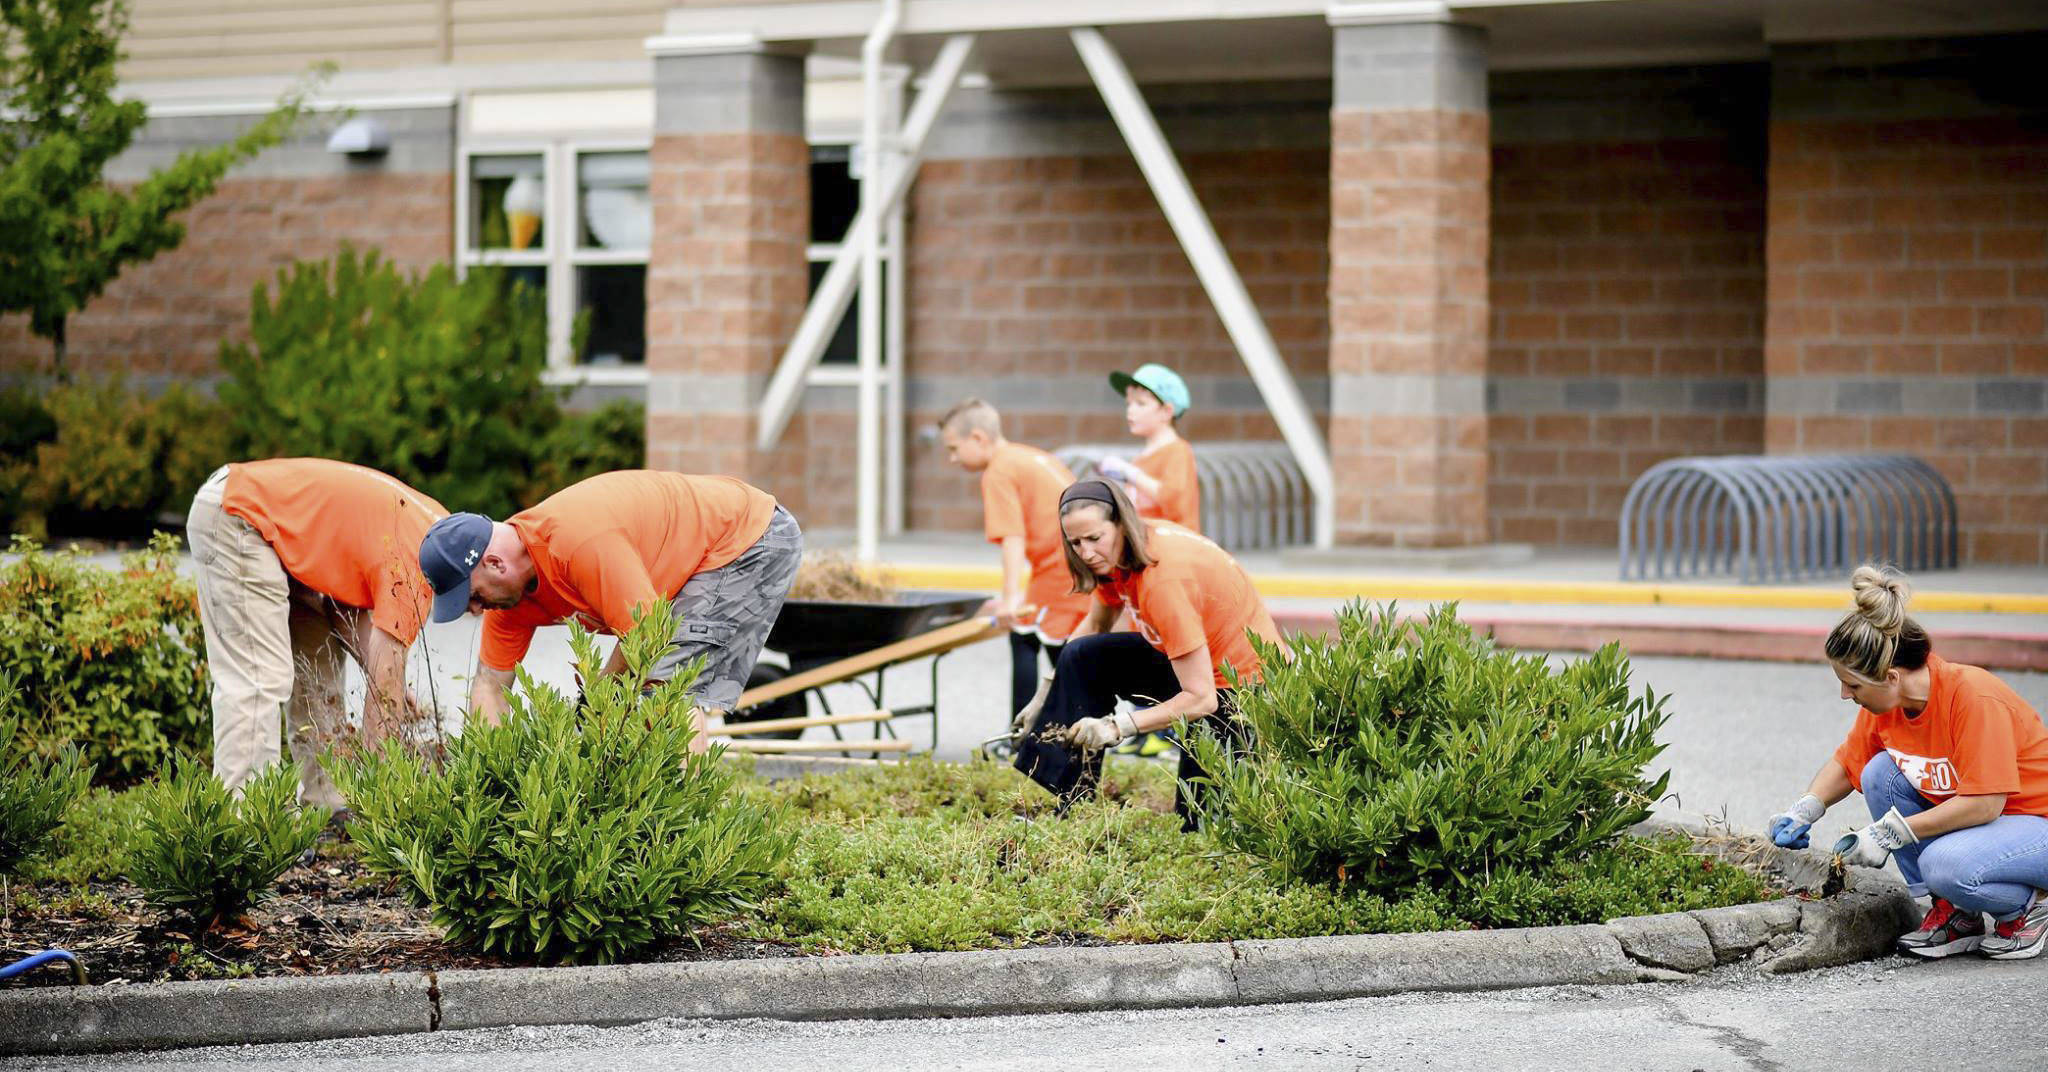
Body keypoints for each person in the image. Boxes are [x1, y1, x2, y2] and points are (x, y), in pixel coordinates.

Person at [1767, 565, 2048, 960]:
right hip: (1993, 831)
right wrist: (1804, 809)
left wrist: (1889, 834)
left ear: (1891, 676)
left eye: (1853, 684)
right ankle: (1955, 916)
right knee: (1880, 774)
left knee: (1943, 865)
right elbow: (1850, 764)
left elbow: (1986, 803)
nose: (1845, 695)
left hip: (2037, 830)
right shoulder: (1886, 707)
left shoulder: (1972, 697)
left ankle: (2027, 910)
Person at [418, 470, 802, 748]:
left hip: (746, 538)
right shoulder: (507, 599)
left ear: (495, 564)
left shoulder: (576, 543)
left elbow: (649, 633)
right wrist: (492, 773)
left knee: (663, 688)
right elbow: (490, 688)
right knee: (641, 690)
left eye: (470, 596)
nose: (473, 610)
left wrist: (598, 693)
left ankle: (684, 841)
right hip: (686, 567)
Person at [1012, 478, 1281, 831]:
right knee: (1081, 657)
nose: (1086, 552)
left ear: (1121, 524)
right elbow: (1096, 622)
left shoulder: (1163, 581)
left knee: (1199, 825)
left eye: (1094, 538)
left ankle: (1205, 816)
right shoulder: (1119, 555)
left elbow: (1202, 700)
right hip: (1190, 667)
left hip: (1240, 690)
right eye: (1075, 542)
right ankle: (1072, 806)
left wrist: (1116, 726)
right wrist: (1045, 695)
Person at [186, 458, 447, 809]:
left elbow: (349, 610)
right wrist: (384, 805)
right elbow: (385, 696)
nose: (476, 611)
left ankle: (326, 805)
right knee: (258, 680)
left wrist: (394, 680)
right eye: (477, 599)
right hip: (240, 514)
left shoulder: (437, 529)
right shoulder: (416, 561)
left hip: (287, 545)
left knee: (319, 667)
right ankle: (244, 826)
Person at [938, 398, 1094, 719]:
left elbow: (1012, 538)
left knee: (1028, 637)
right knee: (1054, 647)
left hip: (1061, 570)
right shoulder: (1031, 456)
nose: (952, 459)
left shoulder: (998, 472)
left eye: (954, 448)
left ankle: (1027, 734)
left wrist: (1009, 600)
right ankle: (1061, 725)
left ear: (979, 438)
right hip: (1076, 564)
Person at [1097, 363, 1199, 531]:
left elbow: (1174, 500)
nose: (1130, 411)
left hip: (1175, 548)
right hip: (1150, 549)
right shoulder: (1141, 458)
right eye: (1129, 403)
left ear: (1166, 411)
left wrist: (1130, 473)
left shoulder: (1178, 451)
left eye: (1141, 403)